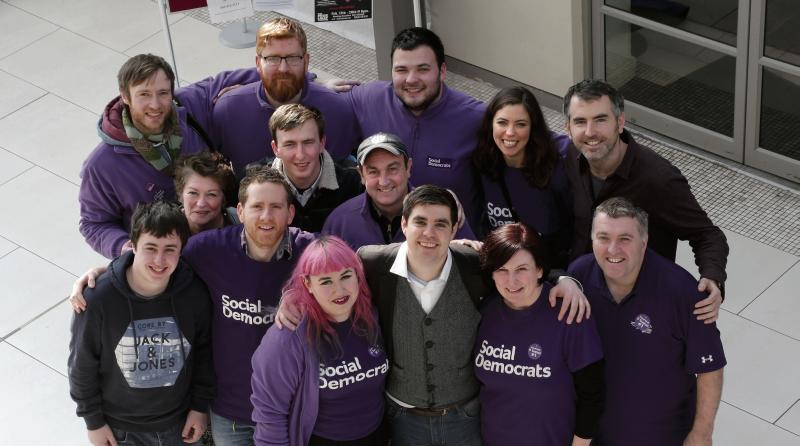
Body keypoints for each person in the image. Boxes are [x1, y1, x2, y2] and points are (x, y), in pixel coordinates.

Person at [71, 167, 316, 446]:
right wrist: (108, 275)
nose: (266, 216)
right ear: (241, 210)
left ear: (290, 213)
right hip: (230, 412)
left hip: (291, 406)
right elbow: (155, 258)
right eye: (257, 206)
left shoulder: (312, 252)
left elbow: (351, 269)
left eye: (276, 207)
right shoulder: (207, 250)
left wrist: (299, 293)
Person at [562, 79, 728, 322]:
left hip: (639, 305)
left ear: (620, 122)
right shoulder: (568, 159)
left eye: (600, 120)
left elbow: (707, 235)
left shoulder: (659, 179)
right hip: (578, 295)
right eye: (580, 122)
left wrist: (712, 277)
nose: (590, 132)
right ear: (568, 128)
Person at [568, 197, 726, 445]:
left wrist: (701, 433)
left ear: (644, 242)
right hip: (590, 435)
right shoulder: (577, 279)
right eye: (603, 238)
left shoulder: (682, 293)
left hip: (662, 437)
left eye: (624, 239)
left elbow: (710, 367)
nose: (612, 250)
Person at [79, 53, 256, 258]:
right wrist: (124, 247)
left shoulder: (190, 105)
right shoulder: (102, 165)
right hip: (162, 261)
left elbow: (265, 72)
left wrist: (238, 96)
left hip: (221, 238)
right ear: (125, 96)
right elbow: (94, 223)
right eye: (144, 94)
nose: (155, 104)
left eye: (163, 93)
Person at [68, 201, 214, 446]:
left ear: (181, 250)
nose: (160, 259)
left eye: (170, 249)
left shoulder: (193, 294)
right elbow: (82, 364)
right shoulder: (98, 299)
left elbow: (204, 353)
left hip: (180, 425)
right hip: (120, 431)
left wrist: (199, 407)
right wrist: (93, 421)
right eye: (150, 247)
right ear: (133, 246)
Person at [343, 27, 485, 231]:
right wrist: (317, 84)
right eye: (401, 70)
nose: (411, 79)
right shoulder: (368, 100)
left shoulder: (477, 118)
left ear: (442, 71)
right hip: (383, 241)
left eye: (423, 69)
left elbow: (533, 135)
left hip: (454, 246)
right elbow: (315, 108)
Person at [251, 236, 389, 446]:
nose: (339, 289)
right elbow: (270, 414)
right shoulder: (288, 337)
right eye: (325, 281)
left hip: (376, 436)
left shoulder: (372, 317)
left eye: (345, 276)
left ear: (358, 275)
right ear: (308, 284)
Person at [475, 223, 604, 446]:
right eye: (502, 270)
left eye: (521, 269)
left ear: (540, 270)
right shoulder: (485, 311)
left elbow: (592, 394)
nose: (511, 281)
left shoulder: (568, 312)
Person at [213, 17, 361, 176]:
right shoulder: (228, 111)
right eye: (273, 59)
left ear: (306, 61)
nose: (283, 68)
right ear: (257, 63)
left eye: (292, 58)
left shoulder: (337, 110)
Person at [472, 86, 573, 268]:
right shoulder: (483, 162)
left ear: (533, 127)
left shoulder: (555, 168)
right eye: (502, 122)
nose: (510, 132)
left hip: (548, 268)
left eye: (521, 124)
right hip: (502, 267)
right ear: (490, 124)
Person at [322, 132, 474, 249]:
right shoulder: (339, 222)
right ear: (361, 174)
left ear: (408, 167)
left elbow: (470, 265)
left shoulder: (444, 213)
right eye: (373, 171)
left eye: (392, 169)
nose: (384, 181)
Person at [261, 103, 362, 233]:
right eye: (290, 144)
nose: (300, 155)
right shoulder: (254, 184)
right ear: (275, 149)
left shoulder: (354, 182)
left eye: (308, 142)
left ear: (322, 143)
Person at [174, 151, 238, 234]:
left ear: (223, 199)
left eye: (211, 194)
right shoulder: (164, 229)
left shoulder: (241, 221)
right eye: (193, 193)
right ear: (180, 195)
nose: (201, 204)